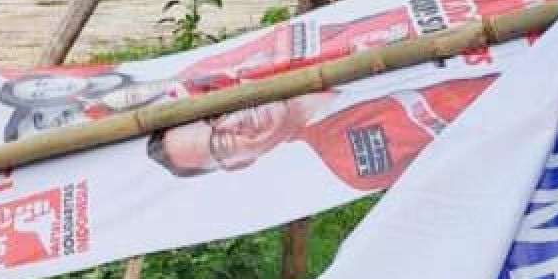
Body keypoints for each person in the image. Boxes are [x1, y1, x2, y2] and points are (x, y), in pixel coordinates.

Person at [146, 76, 496, 190]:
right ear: (240, 165)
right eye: (221, 143)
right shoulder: (351, 163)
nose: (233, 124)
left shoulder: (316, 46)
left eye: (216, 116)